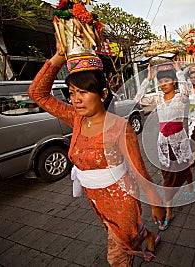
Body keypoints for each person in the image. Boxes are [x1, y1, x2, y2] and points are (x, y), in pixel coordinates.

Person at [28, 40, 165, 266]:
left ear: (102, 93)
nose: (76, 99)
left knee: (117, 256)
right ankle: (148, 236)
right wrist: (59, 56)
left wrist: (156, 202)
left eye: (83, 92)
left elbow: (139, 170)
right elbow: (37, 93)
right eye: (72, 93)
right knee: (123, 236)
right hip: (95, 200)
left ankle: (136, 242)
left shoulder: (120, 127)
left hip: (122, 199)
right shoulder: (76, 118)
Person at [135, 61, 195, 230]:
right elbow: (138, 99)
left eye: (166, 81)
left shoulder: (181, 96)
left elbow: (187, 90)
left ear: (174, 81)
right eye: (160, 82)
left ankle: (190, 185)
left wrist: (179, 71)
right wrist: (148, 79)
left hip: (180, 140)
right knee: (168, 177)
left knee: (184, 167)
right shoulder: (158, 98)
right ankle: (169, 211)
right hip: (164, 143)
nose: (163, 85)